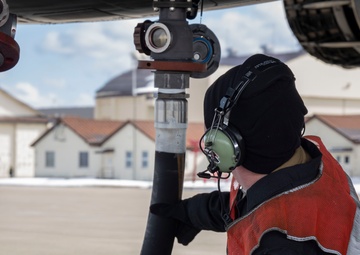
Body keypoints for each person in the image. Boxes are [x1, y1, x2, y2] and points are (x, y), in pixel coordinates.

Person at [151, 54, 360, 254]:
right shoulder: (314, 168)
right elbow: (248, 207)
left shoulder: (279, 245)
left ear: (228, 148)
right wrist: (191, 212)